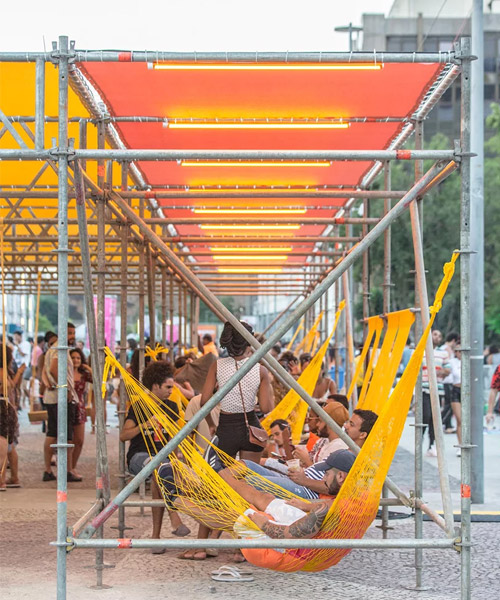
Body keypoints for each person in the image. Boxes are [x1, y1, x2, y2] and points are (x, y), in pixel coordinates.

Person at [162, 449, 356, 569]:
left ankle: (176, 501)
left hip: (287, 552)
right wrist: (306, 504)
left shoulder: (327, 509)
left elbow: (291, 535)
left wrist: (264, 524)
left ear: (340, 477)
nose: (323, 478)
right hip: (295, 539)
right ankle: (219, 475)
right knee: (264, 498)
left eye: (327, 474)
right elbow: (325, 507)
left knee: (232, 517)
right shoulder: (348, 500)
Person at [119, 360, 190, 553]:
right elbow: (124, 435)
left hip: (161, 459)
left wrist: (174, 459)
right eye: (168, 386)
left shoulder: (172, 407)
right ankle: (174, 520)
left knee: (161, 470)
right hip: (138, 457)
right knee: (159, 467)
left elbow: (175, 440)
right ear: (155, 386)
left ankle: (156, 537)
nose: (171, 390)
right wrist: (144, 425)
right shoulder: (139, 407)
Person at [200, 321, 273, 461]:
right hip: (251, 427)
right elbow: (265, 408)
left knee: (226, 479)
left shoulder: (217, 366)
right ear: (248, 342)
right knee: (250, 478)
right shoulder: (260, 370)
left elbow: (204, 402)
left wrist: (211, 424)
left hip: (226, 428)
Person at [42, 323, 81, 482]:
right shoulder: (60, 349)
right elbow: (52, 369)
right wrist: (65, 389)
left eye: (73, 333)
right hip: (60, 398)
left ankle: (49, 470)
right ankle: (66, 470)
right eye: (70, 333)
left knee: (52, 433)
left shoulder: (54, 349)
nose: (72, 336)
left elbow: (46, 372)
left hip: (55, 397)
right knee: (64, 435)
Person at [292, 401, 349, 467]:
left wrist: (306, 460)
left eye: (320, 421)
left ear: (330, 424)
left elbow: (322, 476)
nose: (317, 424)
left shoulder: (338, 447)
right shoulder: (323, 440)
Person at [422, 329, 450, 457]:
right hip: (423, 389)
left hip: (437, 390)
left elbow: (448, 369)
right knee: (425, 416)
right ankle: (420, 441)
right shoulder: (421, 351)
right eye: (435, 334)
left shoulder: (443, 353)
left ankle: (431, 445)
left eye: (439, 335)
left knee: (434, 419)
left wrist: (441, 372)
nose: (437, 337)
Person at [70, 348, 93, 475]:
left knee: (79, 440)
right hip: (67, 407)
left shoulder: (84, 374)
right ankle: (67, 468)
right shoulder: (65, 372)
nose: (76, 360)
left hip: (80, 408)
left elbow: (99, 380)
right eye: (73, 358)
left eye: (78, 358)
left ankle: (73, 467)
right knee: (67, 440)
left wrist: (88, 368)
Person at [440, 332, 460, 432]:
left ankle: (448, 424)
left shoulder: (447, 349)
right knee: (449, 405)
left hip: (450, 380)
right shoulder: (446, 349)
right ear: (453, 340)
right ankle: (442, 422)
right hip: (448, 381)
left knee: (449, 404)